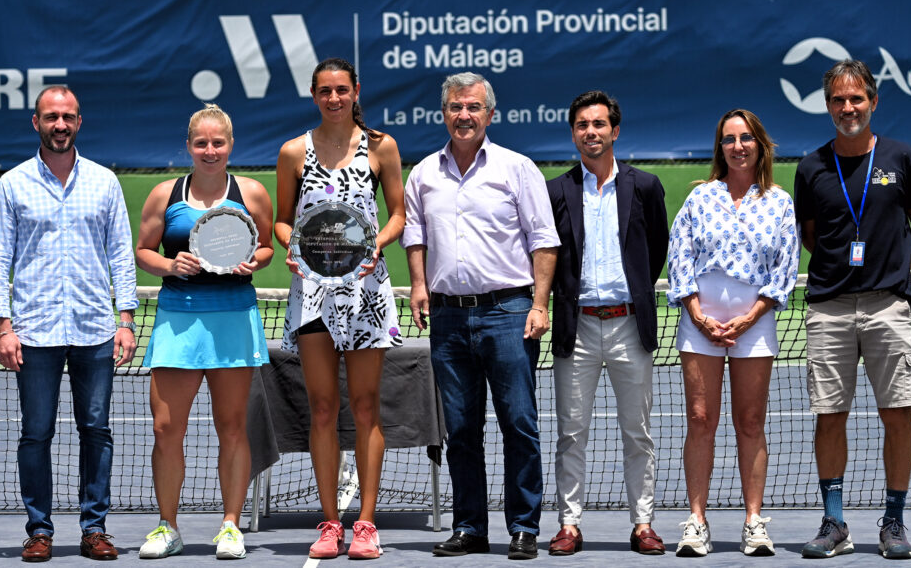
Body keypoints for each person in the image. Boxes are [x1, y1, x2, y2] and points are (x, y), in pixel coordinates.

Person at [404, 72, 560, 560]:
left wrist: (539, 304)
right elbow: (415, 235)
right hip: (447, 318)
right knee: (461, 431)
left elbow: (544, 240)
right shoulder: (423, 173)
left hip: (509, 312)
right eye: (456, 107)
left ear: (490, 114)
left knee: (519, 424)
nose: (464, 115)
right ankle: (470, 527)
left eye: (473, 107)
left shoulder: (518, 168)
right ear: (443, 113)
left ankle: (524, 527)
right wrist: (419, 285)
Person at [0, 85, 137, 562]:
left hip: (95, 329)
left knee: (97, 431)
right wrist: (4, 327)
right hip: (34, 331)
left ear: (79, 121)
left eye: (68, 116)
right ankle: (39, 531)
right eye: (51, 117)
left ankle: (95, 529)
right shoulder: (12, 184)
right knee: (36, 434)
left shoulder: (105, 182)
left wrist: (126, 319)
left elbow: (121, 254)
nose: (60, 125)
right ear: (37, 122)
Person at [794, 60, 911, 560]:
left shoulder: (901, 157)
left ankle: (893, 522)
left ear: (873, 101)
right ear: (827, 105)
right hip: (828, 309)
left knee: (897, 413)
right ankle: (834, 522)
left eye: (856, 98)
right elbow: (811, 235)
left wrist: (891, 274)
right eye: (838, 99)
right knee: (830, 416)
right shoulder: (811, 166)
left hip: (887, 308)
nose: (847, 107)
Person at [274, 57, 405, 560]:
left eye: (341, 90)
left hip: (367, 292)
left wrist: (377, 244)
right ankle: (330, 523)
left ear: (355, 92)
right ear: (314, 95)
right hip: (312, 293)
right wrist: (291, 246)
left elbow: (398, 214)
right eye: (325, 91)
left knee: (367, 407)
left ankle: (366, 524)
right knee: (324, 408)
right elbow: (282, 221)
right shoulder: (293, 151)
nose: (334, 98)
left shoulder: (381, 146)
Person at [133, 104, 274, 559]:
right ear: (189, 147)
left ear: (230, 145)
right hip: (178, 320)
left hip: (233, 318)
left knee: (232, 427)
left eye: (218, 143)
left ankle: (230, 526)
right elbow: (143, 251)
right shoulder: (164, 194)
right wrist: (169, 264)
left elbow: (267, 246)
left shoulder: (252, 192)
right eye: (201, 143)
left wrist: (254, 261)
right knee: (165, 428)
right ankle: (168, 527)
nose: (209, 151)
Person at [666, 109, 799, 557]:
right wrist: (699, 315)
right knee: (701, 419)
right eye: (728, 139)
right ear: (719, 148)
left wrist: (749, 317)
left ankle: (754, 522)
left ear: (760, 144)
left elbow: (785, 268)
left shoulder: (779, 202)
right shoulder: (700, 198)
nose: (737, 146)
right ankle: (696, 521)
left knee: (751, 422)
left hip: (755, 325)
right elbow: (679, 257)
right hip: (699, 323)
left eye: (745, 138)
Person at [544, 91, 669, 556]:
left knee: (638, 432)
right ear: (573, 133)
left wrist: (632, 293)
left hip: (628, 327)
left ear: (615, 131)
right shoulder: (555, 191)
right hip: (575, 329)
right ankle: (569, 525)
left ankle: (643, 524)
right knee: (571, 433)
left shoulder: (646, 186)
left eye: (599, 124)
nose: (591, 132)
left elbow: (655, 250)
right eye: (582, 125)